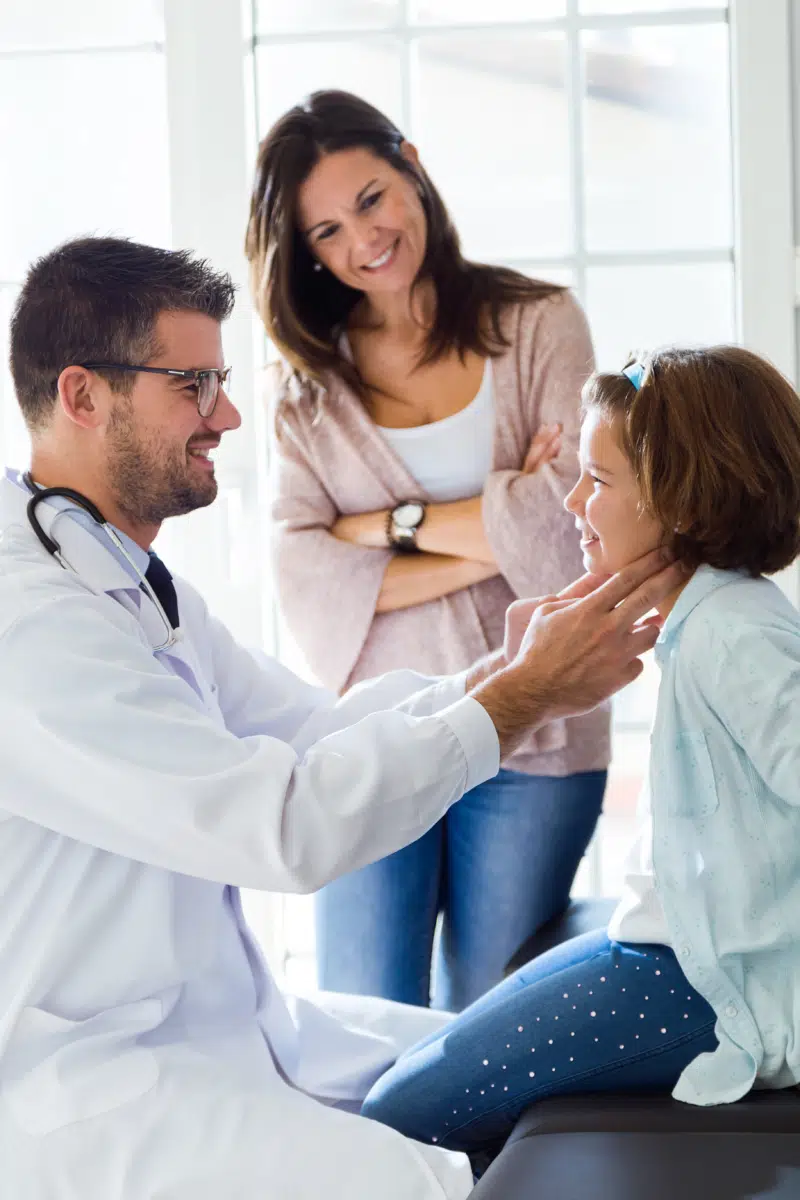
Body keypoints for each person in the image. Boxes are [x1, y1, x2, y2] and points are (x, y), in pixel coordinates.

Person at [0, 235, 681, 1200]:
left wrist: (511, 668)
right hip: (102, 1090)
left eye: (221, 380)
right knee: (449, 1187)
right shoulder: (29, 629)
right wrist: (527, 692)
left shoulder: (134, 583)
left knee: (498, 1062)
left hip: (237, 1029)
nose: (227, 415)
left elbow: (317, 734)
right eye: (192, 384)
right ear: (81, 395)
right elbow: (280, 826)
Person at [360, 345, 800, 1160]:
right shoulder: (711, 618)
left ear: (680, 500)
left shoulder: (736, 634)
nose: (571, 501)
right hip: (659, 947)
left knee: (397, 1118)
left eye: (597, 481)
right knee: (405, 1084)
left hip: (702, 988)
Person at [245, 89, 610, 1011]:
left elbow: (577, 539)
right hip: (376, 732)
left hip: (540, 727)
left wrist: (383, 532)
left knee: (491, 1023)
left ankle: (480, 1174)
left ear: (410, 161)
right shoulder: (307, 390)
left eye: (371, 198)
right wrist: (502, 526)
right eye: (325, 231)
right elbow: (304, 571)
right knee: (365, 1017)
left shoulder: (540, 325)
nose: (362, 240)